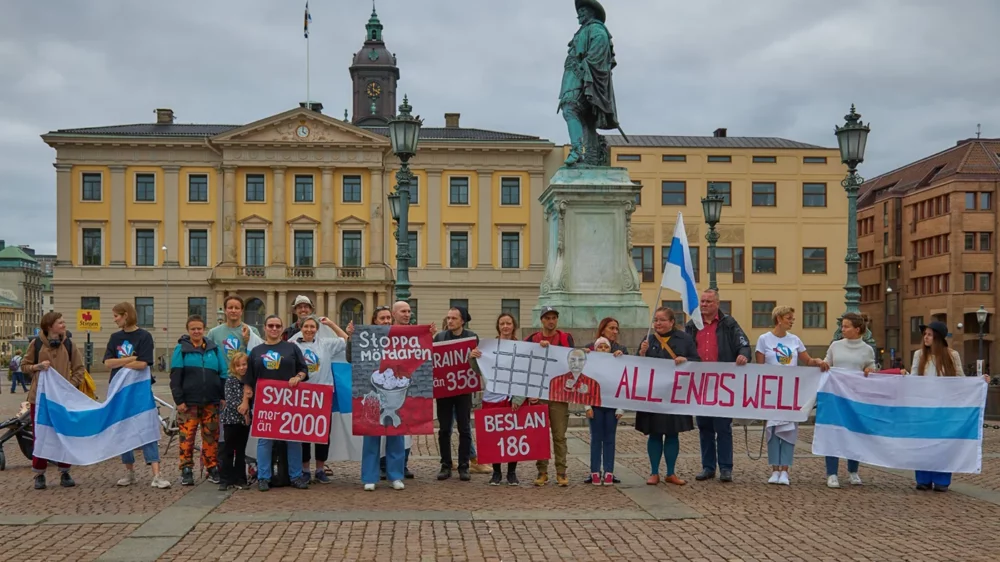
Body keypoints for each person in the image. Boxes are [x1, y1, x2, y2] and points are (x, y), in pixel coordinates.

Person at [754, 306, 829, 486]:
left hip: (791, 393)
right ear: (778, 319)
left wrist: (817, 361)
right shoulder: (764, 339)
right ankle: (774, 469)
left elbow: (807, 360)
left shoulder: (795, 340)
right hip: (772, 392)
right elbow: (759, 368)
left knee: (789, 430)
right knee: (772, 430)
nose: (792, 320)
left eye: (792, 318)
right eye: (789, 318)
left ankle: (785, 470)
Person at [909, 321, 987, 492]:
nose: (926, 337)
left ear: (937, 337)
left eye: (929, 334)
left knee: (943, 443)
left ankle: (941, 479)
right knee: (923, 443)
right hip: (924, 407)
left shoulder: (951, 355)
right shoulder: (918, 355)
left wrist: (979, 382)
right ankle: (923, 478)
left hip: (944, 407)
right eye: (925, 334)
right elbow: (914, 378)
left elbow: (960, 378)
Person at [685, 289, 751, 483]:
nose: (704, 304)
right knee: (704, 426)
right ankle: (708, 466)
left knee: (723, 426)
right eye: (702, 302)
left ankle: (725, 467)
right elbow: (683, 347)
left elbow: (744, 344)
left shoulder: (728, 324)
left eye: (708, 302)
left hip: (723, 383)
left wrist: (744, 355)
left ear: (717, 304)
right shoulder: (692, 325)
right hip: (700, 383)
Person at [104, 302, 171, 489]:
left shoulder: (144, 336)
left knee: (147, 428)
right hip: (119, 390)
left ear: (126, 315)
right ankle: (129, 472)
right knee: (123, 430)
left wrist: (123, 363)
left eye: (117, 315)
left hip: (139, 391)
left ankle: (157, 474)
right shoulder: (114, 337)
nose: (114, 319)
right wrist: (130, 359)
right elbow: (108, 363)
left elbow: (144, 363)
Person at [242, 314, 310, 491]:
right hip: (264, 403)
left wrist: (298, 377)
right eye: (271, 325)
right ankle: (264, 477)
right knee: (265, 440)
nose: (274, 329)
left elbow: (304, 369)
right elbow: (248, 380)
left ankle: (295, 476)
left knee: (293, 439)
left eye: (277, 326)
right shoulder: (256, 351)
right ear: (265, 328)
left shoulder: (291, 348)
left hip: (290, 401)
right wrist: (246, 400)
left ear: (282, 329)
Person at [20, 311, 85, 490]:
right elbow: (24, 366)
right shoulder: (37, 344)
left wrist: (68, 386)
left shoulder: (70, 344)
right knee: (40, 435)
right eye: (60, 322)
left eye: (63, 322)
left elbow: (80, 369)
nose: (64, 325)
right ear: (50, 326)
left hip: (62, 399)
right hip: (39, 399)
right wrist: (37, 367)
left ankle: (65, 471)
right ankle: (39, 474)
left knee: (63, 433)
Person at [637, 307, 697, 486]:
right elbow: (635, 366)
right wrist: (641, 353)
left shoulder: (685, 339)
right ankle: (654, 472)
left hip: (674, 396)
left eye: (662, 320)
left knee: (672, 434)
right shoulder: (648, 339)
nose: (658, 323)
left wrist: (685, 361)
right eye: (656, 320)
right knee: (654, 434)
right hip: (653, 396)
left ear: (672, 322)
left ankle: (671, 473)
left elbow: (698, 361)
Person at [558, 0, 621, 166]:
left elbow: (600, 48)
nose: (579, 13)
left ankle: (577, 149)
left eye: (583, 10)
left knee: (570, 108)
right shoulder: (583, 31)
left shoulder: (596, 29)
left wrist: (584, 67)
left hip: (583, 77)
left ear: (591, 12)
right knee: (587, 119)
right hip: (573, 78)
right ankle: (591, 157)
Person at [170, 315, 228, 486]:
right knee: (187, 437)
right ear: (188, 331)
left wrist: (222, 396)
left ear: (204, 329)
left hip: (211, 402)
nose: (196, 331)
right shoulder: (181, 349)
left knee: (211, 437)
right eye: (193, 329)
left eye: (199, 328)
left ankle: (212, 467)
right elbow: (175, 377)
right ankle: (186, 469)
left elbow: (223, 374)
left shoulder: (214, 349)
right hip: (189, 403)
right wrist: (179, 400)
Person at [290, 315, 347, 483]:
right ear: (301, 327)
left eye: (312, 327)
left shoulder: (325, 343)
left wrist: (330, 324)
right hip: (302, 394)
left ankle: (320, 468)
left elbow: (346, 339)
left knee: (323, 433)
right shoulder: (293, 346)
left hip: (323, 393)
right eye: (306, 326)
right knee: (304, 433)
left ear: (317, 329)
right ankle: (305, 469)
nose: (309, 330)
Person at [823, 312, 876, 488]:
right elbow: (827, 363)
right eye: (842, 326)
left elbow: (870, 366)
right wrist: (821, 365)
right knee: (833, 432)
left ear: (857, 329)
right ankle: (832, 473)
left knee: (854, 433)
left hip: (855, 397)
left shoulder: (867, 349)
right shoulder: (835, 346)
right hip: (835, 396)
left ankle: (853, 471)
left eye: (846, 326)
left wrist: (870, 369)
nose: (842, 329)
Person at [470, 312, 523, 485]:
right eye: (502, 324)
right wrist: (473, 358)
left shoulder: (520, 347)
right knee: (494, 437)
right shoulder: (488, 347)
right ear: (498, 327)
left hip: (511, 398)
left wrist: (518, 398)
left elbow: (524, 374)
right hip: (491, 397)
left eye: (508, 323)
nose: (505, 326)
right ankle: (497, 472)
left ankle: (512, 473)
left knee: (512, 436)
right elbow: (478, 370)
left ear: (513, 326)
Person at [524, 306, 574, 487]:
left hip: (559, 395)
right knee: (540, 435)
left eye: (554, 318)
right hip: (539, 394)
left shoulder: (565, 338)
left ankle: (561, 472)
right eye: (547, 318)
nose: (551, 321)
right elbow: (526, 365)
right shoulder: (531, 340)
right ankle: (542, 471)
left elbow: (572, 361)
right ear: (542, 320)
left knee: (559, 436)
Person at [363, 306, 407, 491]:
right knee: (372, 434)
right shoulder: (365, 338)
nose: (386, 321)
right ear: (375, 321)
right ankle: (369, 477)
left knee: (396, 434)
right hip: (374, 389)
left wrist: (428, 336)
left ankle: (395, 476)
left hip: (396, 387)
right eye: (382, 318)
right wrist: (351, 338)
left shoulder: (402, 337)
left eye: (389, 317)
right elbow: (351, 356)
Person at [434, 306, 479, 482]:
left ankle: (464, 466)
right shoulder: (440, 337)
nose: (450, 321)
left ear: (462, 321)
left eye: (453, 318)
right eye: (448, 318)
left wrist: (476, 356)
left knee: (465, 429)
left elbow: (477, 366)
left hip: (463, 390)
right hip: (444, 390)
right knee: (444, 429)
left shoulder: (471, 337)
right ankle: (445, 465)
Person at [586, 337, 623, 485]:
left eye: (605, 347)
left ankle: (609, 471)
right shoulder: (591, 365)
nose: (603, 349)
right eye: (600, 347)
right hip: (595, 406)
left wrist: (620, 407)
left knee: (610, 439)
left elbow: (621, 386)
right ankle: (595, 471)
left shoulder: (616, 365)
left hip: (611, 406)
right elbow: (585, 387)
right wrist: (587, 407)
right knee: (596, 439)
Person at [218, 351, 251, 491]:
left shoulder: (249, 381)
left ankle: (240, 478)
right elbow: (231, 401)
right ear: (234, 367)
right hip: (231, 420)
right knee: (228, 450)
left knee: (241, 451)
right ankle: (225, 478)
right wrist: (243, 409)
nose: (242, 368)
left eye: (244, 365)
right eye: (238, 366)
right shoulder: (231, 381)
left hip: (244, 422)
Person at [207, 295, 261, 361]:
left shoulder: (252, 331)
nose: (233, 310)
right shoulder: (213, 333)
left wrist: (248, 341)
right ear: (225, 310)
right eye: (230, 307)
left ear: (241, 311)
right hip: (222, 371)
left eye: (237, 308)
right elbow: (208, 357)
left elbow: (258, 355)